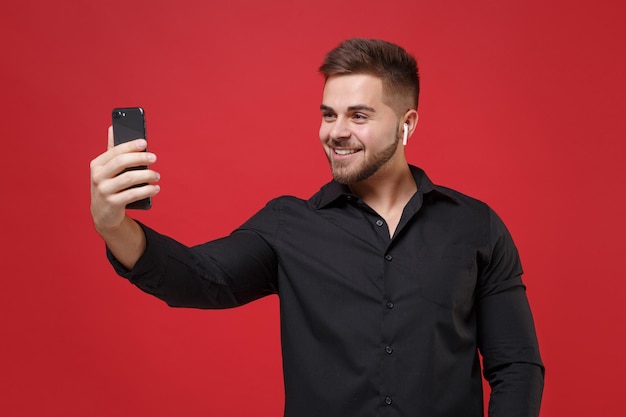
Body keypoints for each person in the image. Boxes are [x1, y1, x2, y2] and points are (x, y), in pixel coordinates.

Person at [90, 38, 544, 417]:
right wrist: (113, 224)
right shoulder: (289, 224)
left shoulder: (475, 225)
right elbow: (199, 278)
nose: (335, 132)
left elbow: (516, 366)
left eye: (359, 116)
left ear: (407, 125)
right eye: (329, 114)